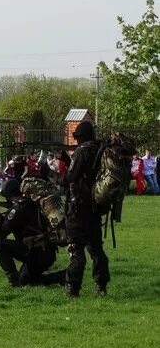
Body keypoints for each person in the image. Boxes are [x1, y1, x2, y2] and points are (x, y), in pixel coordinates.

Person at [0, 178, 65, 287]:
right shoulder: (29, 204)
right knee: (27, 281)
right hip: (45, 252)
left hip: (35, 251)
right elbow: (9, 226)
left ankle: (13, 278)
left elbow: (0, 234)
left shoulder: (18, 209)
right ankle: (63, 276)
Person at [64, 121, 110, 297]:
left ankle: (72, 288)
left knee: (76, 250)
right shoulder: (101, 150)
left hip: (78, 208)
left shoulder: (82, 151)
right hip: (95, 208)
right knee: (96, 249)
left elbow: (71, 177)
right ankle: (101, 285)